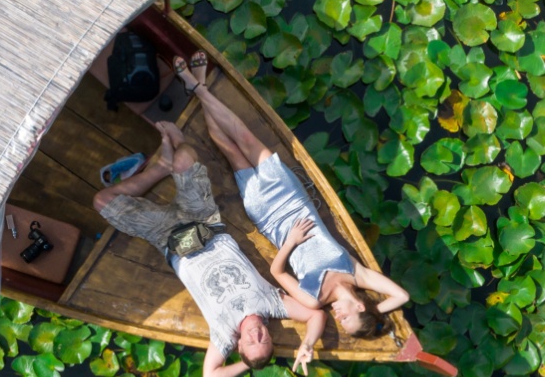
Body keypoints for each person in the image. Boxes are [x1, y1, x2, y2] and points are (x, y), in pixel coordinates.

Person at [173, 53, 412, 355]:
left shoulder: (315, 299)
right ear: (361, 305)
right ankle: (197, 85)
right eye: (347, 318)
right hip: (292, 196)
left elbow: (277, 272)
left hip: (268, 216)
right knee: (245, 137)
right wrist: (380, 316)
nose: (339, 319)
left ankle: (198, 85)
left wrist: (291, 242)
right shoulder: (358, 274)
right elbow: (400, 295)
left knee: (227, 147)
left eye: (341, 323)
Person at [91, 121, 328, 377]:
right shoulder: (272, 304)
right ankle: (168, 163)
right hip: (204, 220)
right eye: (264, 338)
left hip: (165, 236)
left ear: (239, 348)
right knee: (183, 158)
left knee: (102, 202)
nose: (256, 335)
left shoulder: (224, 334)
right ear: (270, 334)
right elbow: (316, 314)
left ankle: (159, 168)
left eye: (251, 343)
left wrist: (249, 365)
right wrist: (307, 344)